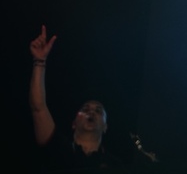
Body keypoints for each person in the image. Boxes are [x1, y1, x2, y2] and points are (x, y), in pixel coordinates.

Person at [28, 25, 125, 171]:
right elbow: (38, 107)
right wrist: (39, 61)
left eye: (98, 111)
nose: (91, 112)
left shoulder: (116, 167)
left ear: (105, 126)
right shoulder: (57, 148)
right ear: (74, 123)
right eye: (85, 109)